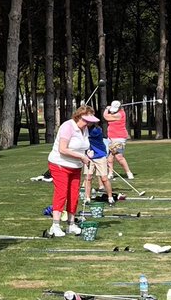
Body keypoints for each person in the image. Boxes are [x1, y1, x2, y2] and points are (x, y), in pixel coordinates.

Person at [45, 105, 100, 237]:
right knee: (61, 193)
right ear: (79, 117)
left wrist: (88, 153)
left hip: (75, 167)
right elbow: (62, 149)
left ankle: (71, 224)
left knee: (74, 195)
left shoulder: (85, 129)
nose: (89, 123)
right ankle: (55, 225)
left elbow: (82, 146)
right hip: (60, 165)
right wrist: (82, 156)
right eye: (87, 120)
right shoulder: (68, 126)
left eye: (90, 121)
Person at [82, 119, 115, 206]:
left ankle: (110, 197)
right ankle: (87, 198)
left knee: (104, 178)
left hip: (100, 156)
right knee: (88, 178)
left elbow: (86, 137)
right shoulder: (84, 130)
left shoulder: (97, 130)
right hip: (89, 157)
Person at [103, 99, 135, 180]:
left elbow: (106, 117)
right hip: (111, 137)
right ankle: (110, 173)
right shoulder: (116, 112)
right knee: (110, 156)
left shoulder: (120, 114)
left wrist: (107, 109)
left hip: (119, 137)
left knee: (118, 156)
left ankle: (129, 173)